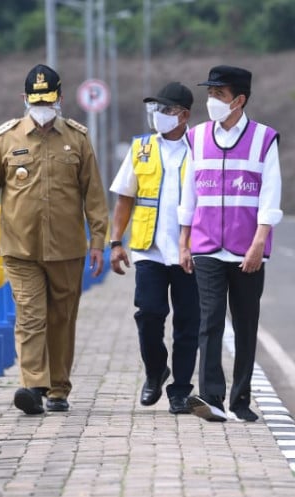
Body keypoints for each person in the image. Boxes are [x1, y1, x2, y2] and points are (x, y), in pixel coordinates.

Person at [0, 63, 108, 415]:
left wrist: (98, 242)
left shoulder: (77, 139)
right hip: (20, 248)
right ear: (24, 99)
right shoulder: (7, 137)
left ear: (60, 99)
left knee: (62, 319)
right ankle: (33, 386)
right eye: (36, 101)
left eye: (48, 101)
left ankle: (58, 389)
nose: (42, 107)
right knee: (30, 315)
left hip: (67, 249)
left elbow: (94, 195)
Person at [178, 65, 282, 423]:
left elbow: (270, 198)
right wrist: (184, 241)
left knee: (245, 325)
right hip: (206, 246)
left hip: (246, 249)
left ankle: (240, 400)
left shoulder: (264, 139)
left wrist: (258, 244)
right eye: (209, 94)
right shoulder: (196, 137)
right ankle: (211, 398)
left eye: (219, 95)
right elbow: (188, 194)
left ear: (239, 100)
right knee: (209, 322)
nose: (212, 101)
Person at [109, 82, 199, 415]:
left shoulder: (201, 148)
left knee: (188, 323)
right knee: (148, 315)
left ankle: (180, 390)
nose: (158, 116)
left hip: (191, 251)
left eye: (165, 110)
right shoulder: (142, 148)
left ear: (184, 115)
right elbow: (125, 197)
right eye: (156, 109)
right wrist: (116, 242)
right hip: (149, 249)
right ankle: (155, 371)